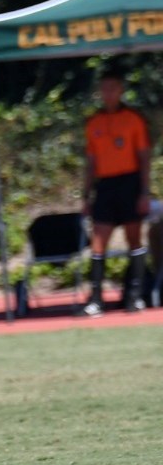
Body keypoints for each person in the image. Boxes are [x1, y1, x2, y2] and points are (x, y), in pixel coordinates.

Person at [82, 72, 151, 315]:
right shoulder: (94, 123)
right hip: (105, 186)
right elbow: (90, 163)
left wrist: (144, 192)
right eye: (104, 89)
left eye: (113, 88)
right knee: (98, 242)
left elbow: (144, 157)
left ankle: (134, 296)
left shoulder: (133, 119)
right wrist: (86, 195)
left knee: (135, 240)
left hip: (129, 184)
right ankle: (96, 300)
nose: (108, 93)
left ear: (121, 90)